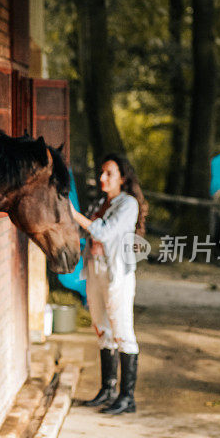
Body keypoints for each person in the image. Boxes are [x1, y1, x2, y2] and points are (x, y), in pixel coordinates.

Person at [71, 154, 147, 415]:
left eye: (109, 174)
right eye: (102, 173)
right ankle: (108, 389)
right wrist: (83, 222)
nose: (103, 178)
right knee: (101, 328)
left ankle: (127, 397)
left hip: (118, 275)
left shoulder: (128, 205)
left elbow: (102, 232)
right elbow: (86, 232)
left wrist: (73, 214)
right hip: (95, 271)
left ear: (122, 179)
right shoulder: (102, 202)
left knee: (122, 331)